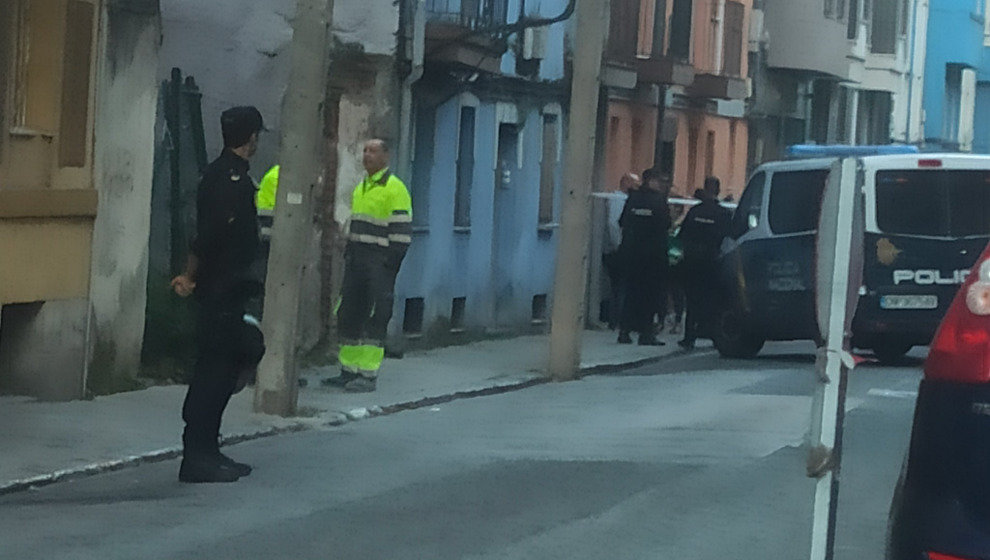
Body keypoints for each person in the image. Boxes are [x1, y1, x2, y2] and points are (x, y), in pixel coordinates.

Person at [170, 106, 267, 483]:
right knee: (214, 373)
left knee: (228, 366)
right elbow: (207, 237)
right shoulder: (228, 181)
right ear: (252, 137)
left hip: (230, 290)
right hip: (220, 291)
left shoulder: (232, 176)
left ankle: (208, 449)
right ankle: (197, 455)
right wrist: (191, 277)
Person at [323, 139, 412, 392]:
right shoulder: (362, 186)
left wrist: (388, 265)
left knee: (375, 315)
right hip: (357, 260)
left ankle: (367, 375)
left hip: (379, 262)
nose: (367, 155)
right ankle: (348, 370)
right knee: (349, 312)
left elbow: (402, 234)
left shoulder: (395, 189)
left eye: (373, 151)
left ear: (386, 155)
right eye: (364, 150)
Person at [617, 168, 670, 346]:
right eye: (659, 181)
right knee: (649, 297)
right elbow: (666, 225)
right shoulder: (659, 201)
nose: (661, 184)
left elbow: (622, 222)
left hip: (631, 254)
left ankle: (624, 331)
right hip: (652, 257)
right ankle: (646, 333)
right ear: (651, 181)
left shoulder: (633, 199)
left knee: (631, 293)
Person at [677, 176, 732, 350]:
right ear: (718, 190)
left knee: (692, 300)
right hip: (712, 261)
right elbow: (729, 237)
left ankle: (689, 337)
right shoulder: (723, 213)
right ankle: (716, 336)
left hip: (692, 261)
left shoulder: (695, 212)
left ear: (706, 189)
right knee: (713, 301)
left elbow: (682, 235)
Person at [601, 172, 640, 328]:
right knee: (620, 287)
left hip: (618, 249)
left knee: (619, 287)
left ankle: (617, 319)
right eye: (635, 184)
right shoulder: (619, 200)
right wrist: (618, 245)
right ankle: (617, 320)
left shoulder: (623, 199)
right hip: (617, 250)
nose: (637, 187)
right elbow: (613, 224)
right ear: (626, 183)